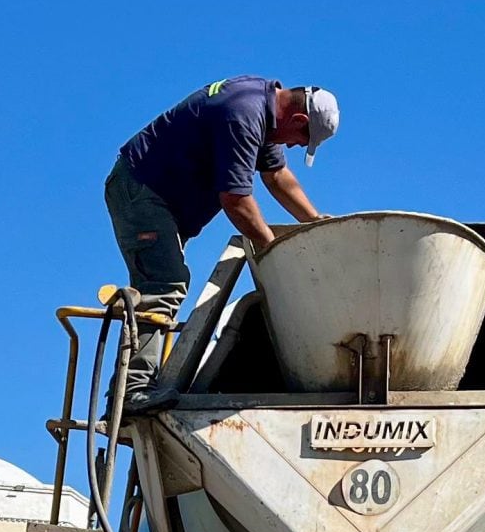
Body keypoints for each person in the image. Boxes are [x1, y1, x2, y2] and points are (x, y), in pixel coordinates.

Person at [107, 77, 341, 404]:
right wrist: (274, 251)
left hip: (160, 200)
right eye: (301, 140)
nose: (293, 146)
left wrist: (313, 221)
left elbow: (276, 174)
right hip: (143, 194)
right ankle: (132, 392)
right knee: (165, 285)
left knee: (160, 287)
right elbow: (236, 199)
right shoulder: (243, 115)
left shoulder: (263, 106)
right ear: (299, 120)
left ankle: (134, 386)